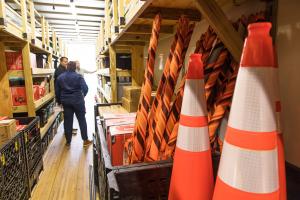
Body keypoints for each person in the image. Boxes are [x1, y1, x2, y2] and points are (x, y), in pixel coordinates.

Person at [55, 61, 92, 147]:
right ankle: (85, 140)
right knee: (82, 120)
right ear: (75, 68)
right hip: (78, 101)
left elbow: (57, 92)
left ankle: (68, 142)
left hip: (66, 102)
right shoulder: (78, 76)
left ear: (67, 67)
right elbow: (85, 88)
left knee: (68, 121)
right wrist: (82, 96)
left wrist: (60, 101)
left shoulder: (60, 77)